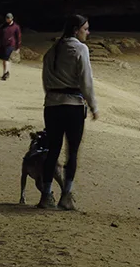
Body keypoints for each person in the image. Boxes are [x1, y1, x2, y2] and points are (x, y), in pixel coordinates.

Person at [38, 16, 99, 210]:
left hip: (52, 106)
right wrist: (93, 106)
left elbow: (45, 80)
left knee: (52, 150)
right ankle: (66, 196)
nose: (87, 33)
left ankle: (46, 196)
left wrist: (52, 98)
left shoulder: (52, 51)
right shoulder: (81, 49)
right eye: (86, 29)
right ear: (76, 30)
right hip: (73, 106)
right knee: (71, 152)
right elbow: (86, 81)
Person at [0, 12, 22, 81]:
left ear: (12, 18)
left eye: (9, 18)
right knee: (4, 59)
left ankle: (5, 73)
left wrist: (18, 47)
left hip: (11, 44)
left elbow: (18, 37)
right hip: (3, 44)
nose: (7, 19)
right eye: (7, 18)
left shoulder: (16, 27)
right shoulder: (3, 26)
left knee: (6, 58)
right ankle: (6, 71)